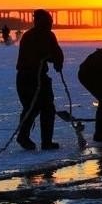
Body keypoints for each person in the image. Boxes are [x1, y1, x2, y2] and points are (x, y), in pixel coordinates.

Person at [15, 9, 64, 150]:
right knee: (32, 108)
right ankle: (23, 137)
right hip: (27, 77)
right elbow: (34, 56)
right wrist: (48, 57)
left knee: (48, 108)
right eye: (47, 21)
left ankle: (46, 141)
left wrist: (58, 62)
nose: (49, 24)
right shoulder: (30, 36)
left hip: (41, 77)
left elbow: (56, 52)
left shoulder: (49, 35)